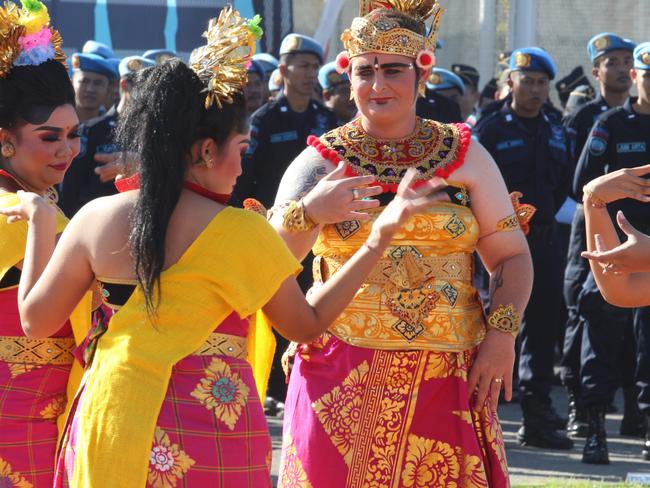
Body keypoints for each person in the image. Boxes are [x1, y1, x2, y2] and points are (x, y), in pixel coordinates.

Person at [1, 8, 449, 486]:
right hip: (212, 430)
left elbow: (36, 319)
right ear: (208, 152)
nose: (241, 166)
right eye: (240, 148)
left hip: (109, 417)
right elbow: (306, 325)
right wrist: (378, 239)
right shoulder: (242, 232)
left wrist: (40, 224)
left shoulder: (93, 217)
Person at [274, 2, 533, 486]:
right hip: (338, 371)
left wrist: (502, 334)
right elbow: (266, 266)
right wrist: (310, 213)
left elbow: (512, 255)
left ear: (422, 74)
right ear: (348, 78)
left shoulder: (465, 155)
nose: (377, 85)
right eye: (365, 71)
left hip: (448, 367)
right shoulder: (318, 164)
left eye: (393, 70)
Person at [0, 1, 84, 484]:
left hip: (53, 413)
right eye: (49, 136)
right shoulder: (16, 213)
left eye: (73, 135)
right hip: (14, 416)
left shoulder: (39, 207)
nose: (67, 149)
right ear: (6, 140)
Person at [474, 47, 574, 450]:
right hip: (497, 246)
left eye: (541, 83)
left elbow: (565, 184)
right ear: (510, 82)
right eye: (527, 80)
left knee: (543, 327)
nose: (535, 89)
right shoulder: (491, 128)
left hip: (545, 245)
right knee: (494, 323)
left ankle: (535, 412)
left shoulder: (556, 127)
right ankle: (481, 409)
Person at [573, 41, 650, 464]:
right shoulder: (611, 122)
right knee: (599, 341)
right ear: (637, 77)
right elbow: (582, 183)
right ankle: (594, 428)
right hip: (612, 249)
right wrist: (598, 201)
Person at [561, 32, 637, 440]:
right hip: (592, 229)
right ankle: (583, 406)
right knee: (587, 311)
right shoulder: (589, 117)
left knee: (636, 327)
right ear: (597, 70)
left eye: (629, 61)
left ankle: (634, 412)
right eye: (614, 61)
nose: (623, 69)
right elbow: (574, 179)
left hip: (641, 234)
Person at [59, 55, 153, 217]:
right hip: (91, 222)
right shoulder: (93, 129)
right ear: (124, 85)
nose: (145, 92)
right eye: (139, 85)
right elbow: (70, 188)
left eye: (149, 87)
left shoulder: (153, 132)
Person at [70, 52, 117, 123]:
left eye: (98, 83)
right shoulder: (55, 122)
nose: (90, 89)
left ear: (108, 89)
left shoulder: (114, 129)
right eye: (84, 81)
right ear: (71, 84)